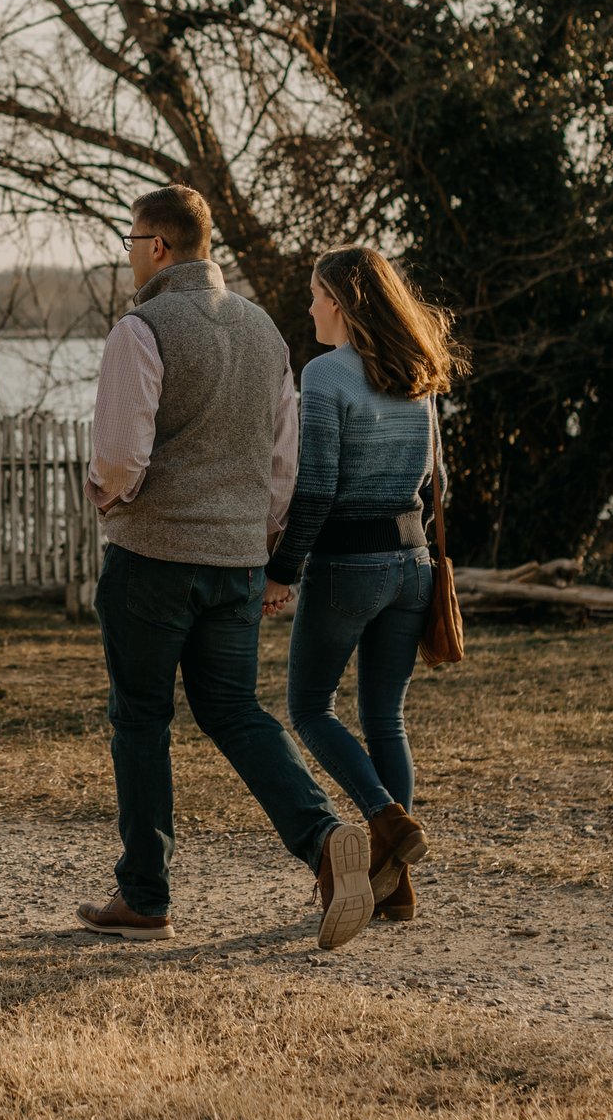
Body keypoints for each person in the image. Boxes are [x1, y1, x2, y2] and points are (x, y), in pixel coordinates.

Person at [74, 185, 372, 950]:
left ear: (160, 247)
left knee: (141, 718)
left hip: (153, 561)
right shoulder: (266, 331)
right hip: (237, 564)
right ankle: (324, 841)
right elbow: (284, 464)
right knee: (236, 711)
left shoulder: (141, 329)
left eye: (134, 239)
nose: (131, 252)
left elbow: (119, 454)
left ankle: (145, 896)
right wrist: (264, 543)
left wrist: (114, 497)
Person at [268, 246, 460, 924]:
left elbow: (314, 488)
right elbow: (435, 483)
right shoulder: (417, 373)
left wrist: (282, 569)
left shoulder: (324, 376)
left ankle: (384, 816)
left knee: (309, 706)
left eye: (318, 294)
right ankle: (395, 885)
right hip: (413, 562)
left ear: (344, 302)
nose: (310, 306)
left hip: (347, 564)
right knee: (386, 717)